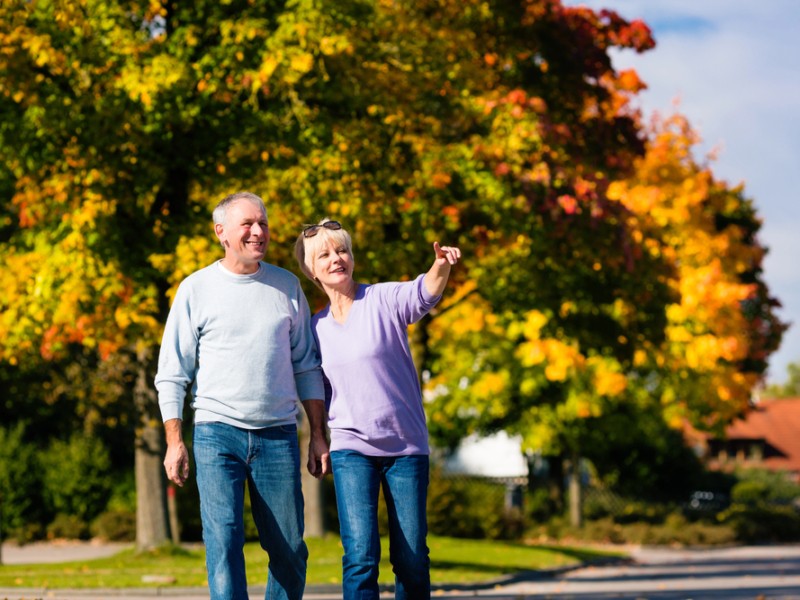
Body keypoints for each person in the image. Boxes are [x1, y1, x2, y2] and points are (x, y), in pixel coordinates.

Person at [155, 191, 330, 600]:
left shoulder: (286, 286)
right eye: (248, 224)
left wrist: (318, 433)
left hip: (277, 436)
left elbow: (306, 365)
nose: (258, 232)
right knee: (223, 544)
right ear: (221, 233)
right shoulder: (195, 289)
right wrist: (174, 440)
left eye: (263, 224)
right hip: (217, 435)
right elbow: (171, 373)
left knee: (289, 549)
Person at [294, 219, 461, 599]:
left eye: (342, 250)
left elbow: (423, 292)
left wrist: (441, 265)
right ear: (311, 270)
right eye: (325, 254)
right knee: (360, 557)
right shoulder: (314, 329)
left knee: (412, 558)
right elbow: (314, 391)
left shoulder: (383, 299)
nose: (337, 258)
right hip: (352, 449)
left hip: (405, 448)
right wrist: (317, 437)